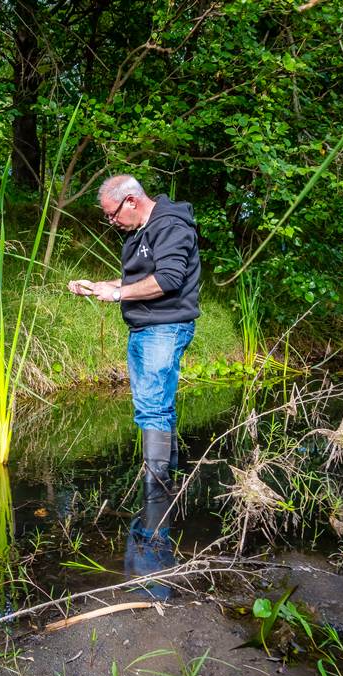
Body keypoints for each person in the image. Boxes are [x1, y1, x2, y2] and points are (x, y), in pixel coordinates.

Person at [68, 175, 201, 536]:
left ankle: (155, 493)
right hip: (145, 327)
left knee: (153, 407)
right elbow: (140, 278)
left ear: (131, 201)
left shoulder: (170, 226)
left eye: (112, 215)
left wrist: (119, 295)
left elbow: (169, 280)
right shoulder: (140, 231)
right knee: (158, 406)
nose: (112, 222)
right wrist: (102, 286)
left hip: (165, 326)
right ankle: (164, 491)